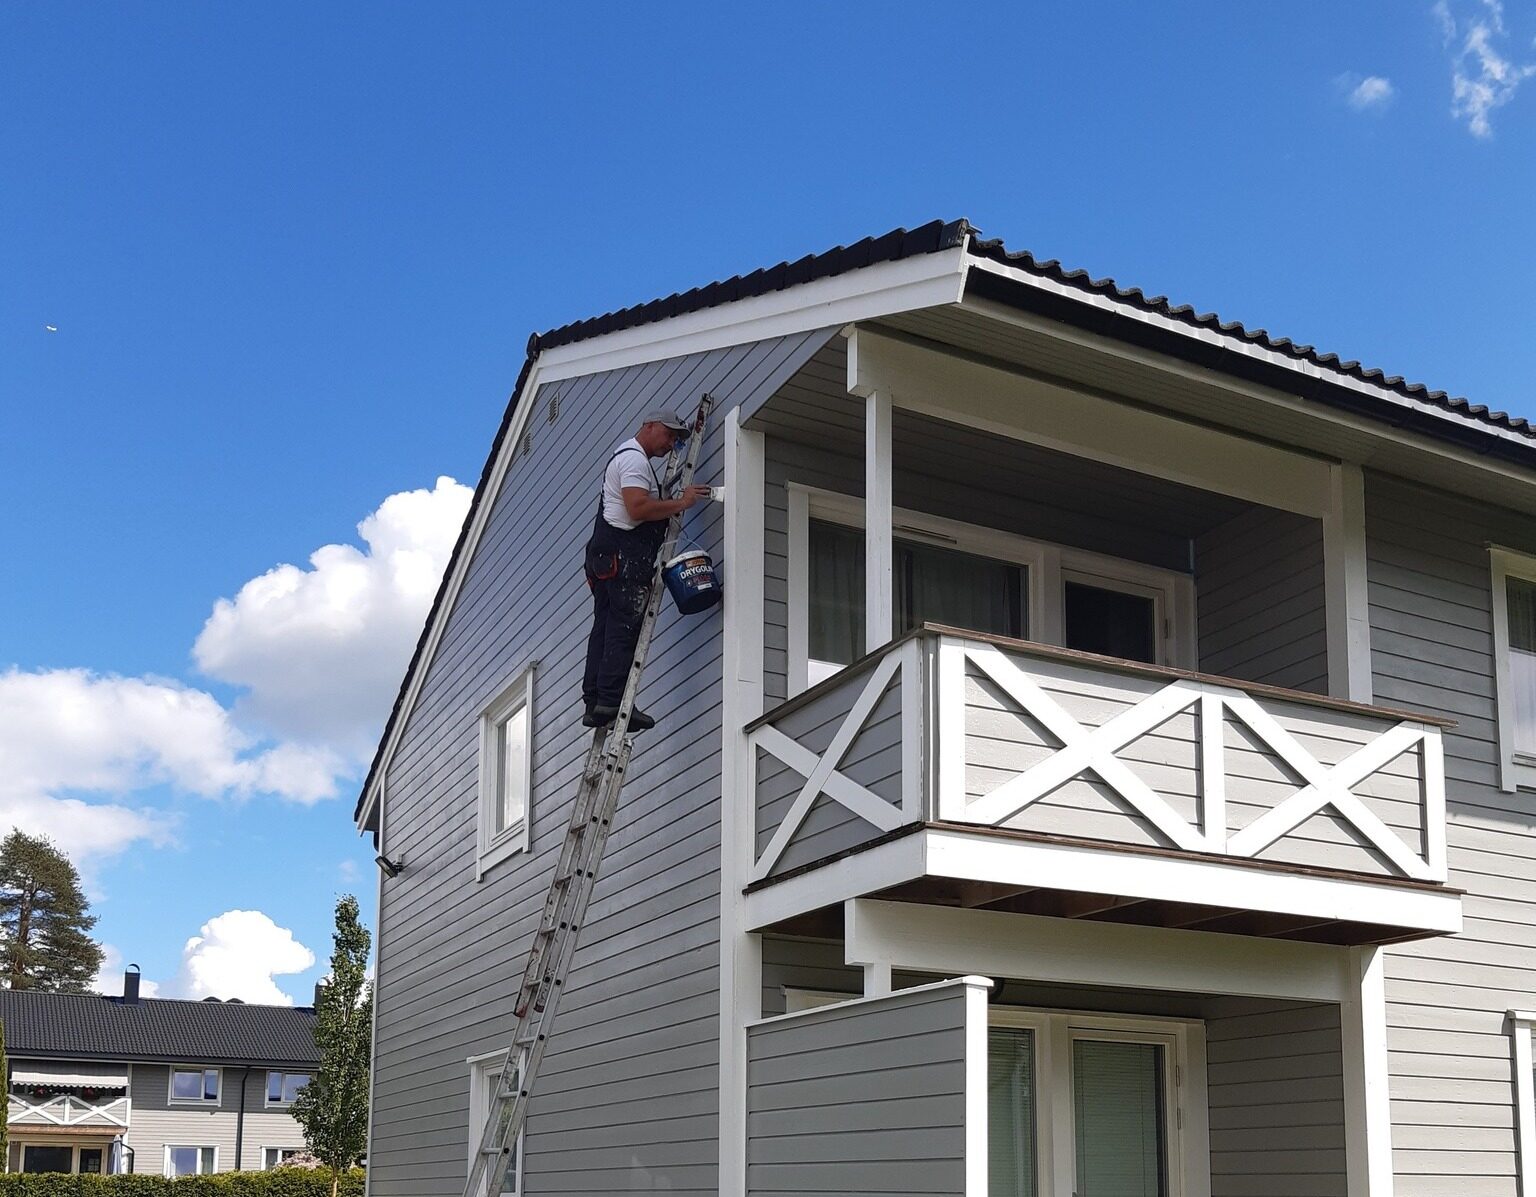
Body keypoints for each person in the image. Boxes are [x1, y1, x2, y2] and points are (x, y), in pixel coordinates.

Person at [581, 409, 712, 730]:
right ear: (649, 426)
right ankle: (612, 702)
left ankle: (596, 702)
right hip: (623, 557)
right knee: (623, 628)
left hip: (606, 556)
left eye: (676, 439)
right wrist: (682, 503)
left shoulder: (626, 458)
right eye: (668, 435)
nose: (671, 444)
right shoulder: (634, 461)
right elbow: (637, 508)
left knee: (605, 627)